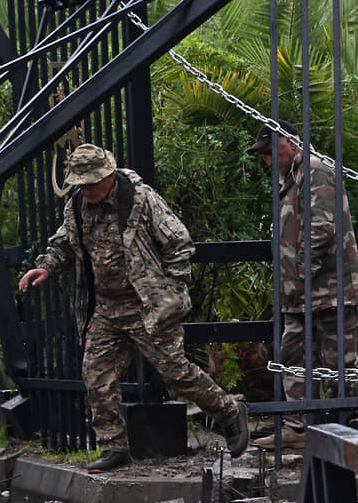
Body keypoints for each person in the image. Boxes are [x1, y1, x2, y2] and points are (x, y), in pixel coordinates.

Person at [18, 143, 248, 473]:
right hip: (107, 308)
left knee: (176, 372)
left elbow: (179, 242)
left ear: (108, 175)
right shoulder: (77, 206)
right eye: (81, 184)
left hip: (147, 306)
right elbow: (65, 244)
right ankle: (114, 446)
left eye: (92, 183)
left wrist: (171, 289)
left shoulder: (139, 199)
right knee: (96, 375)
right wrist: (47, 266)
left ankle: (229, 410)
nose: (87, 190)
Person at [247, 120, 358, 449]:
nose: (269, 161)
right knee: (292, 356)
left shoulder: (314, 171)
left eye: (272, 152)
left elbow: (322, 229)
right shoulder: (294, 177)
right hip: (303, 295)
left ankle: (355, 427)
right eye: (265, 156)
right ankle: (297, 427)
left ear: (291, 143)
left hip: (329, 291)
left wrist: (301, 273)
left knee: (339, 362)